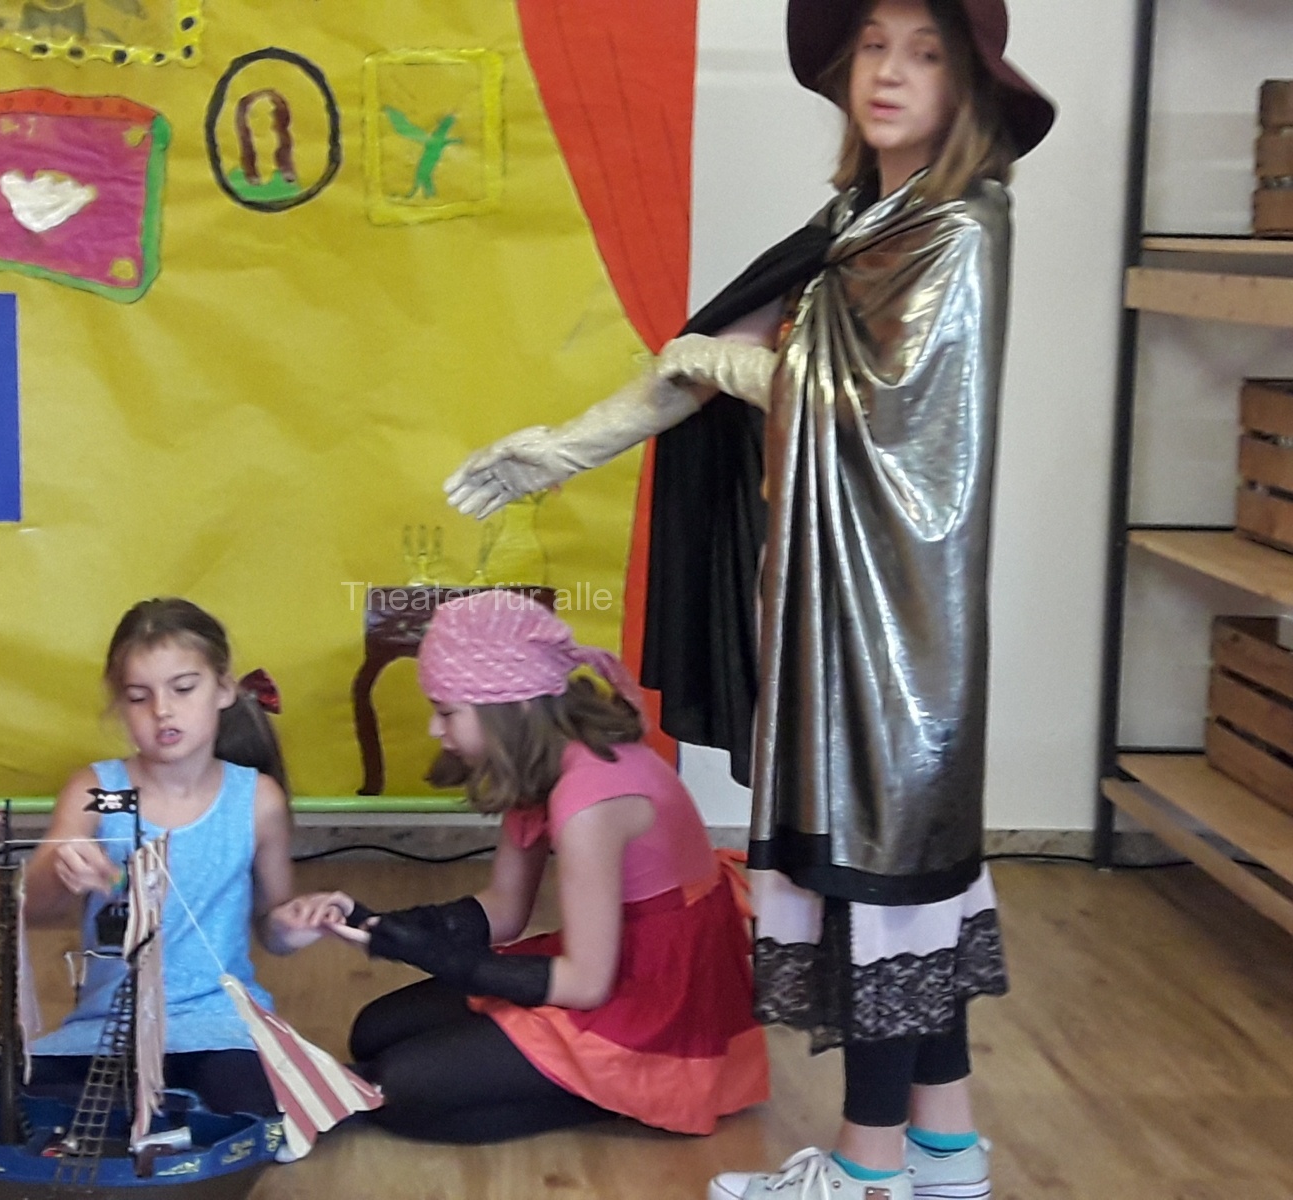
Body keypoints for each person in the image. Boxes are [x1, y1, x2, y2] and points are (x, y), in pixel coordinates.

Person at [444, 1, 1055, 1196]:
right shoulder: (855, 223)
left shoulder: (955, 229)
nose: (889, 72)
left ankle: (867, 1174)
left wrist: (733, 367)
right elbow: (705, 351)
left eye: (926, 53)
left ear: (969, 88)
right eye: (873, 45)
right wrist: (565, 446)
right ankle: (944, 1154)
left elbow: (875, 410)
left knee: (879, 888)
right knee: (905, 895)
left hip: (891, 636)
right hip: (834, 610)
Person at [323, 589, 769, 1143]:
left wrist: (432, 953)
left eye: (447, 711)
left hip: (659, 993)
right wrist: (384, 926)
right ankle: (575, 1084)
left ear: (512, 708)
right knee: (373, 1033)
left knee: (397, 1086)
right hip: (612, 956)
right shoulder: (541, 761)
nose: (436, 730)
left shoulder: (590, 801)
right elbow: (504, 910)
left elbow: (585, 985)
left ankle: (632, 1089)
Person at [23, 597, 341, 1119]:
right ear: (120, 705)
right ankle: (161, 1115)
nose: (162, 711)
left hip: (220, 1023)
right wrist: (62, 866)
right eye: (138, 697)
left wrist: (296, 924)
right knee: (23, 1102)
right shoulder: (100, 790)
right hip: (111, 1027)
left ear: (223, 689)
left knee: (254, 1109)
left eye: (183, 688)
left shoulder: (255, 800)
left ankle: (161, 1116)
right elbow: (32, 907)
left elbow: (272, 926)